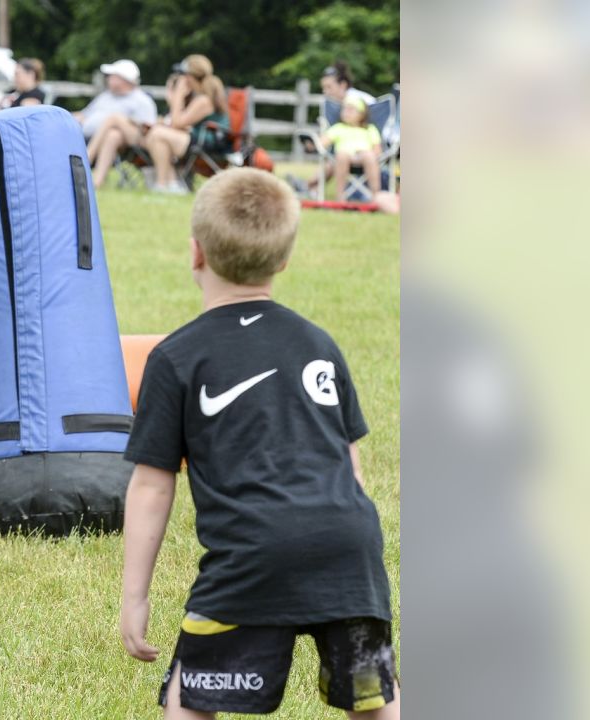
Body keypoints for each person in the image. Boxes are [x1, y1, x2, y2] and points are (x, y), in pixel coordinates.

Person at [119, 168, 398, 719]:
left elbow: (152, 487)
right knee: (373, 700)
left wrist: (135, 596)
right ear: (284, 259)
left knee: (189, 700)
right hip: (348, 548)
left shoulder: (176, 358)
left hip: (253, 553)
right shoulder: (319, 343)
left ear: (195, 254)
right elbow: (352, 470)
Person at [142, 55, 229, 195]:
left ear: (189, 76)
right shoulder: (200, 97)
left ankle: (165, 183)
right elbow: (178, 123)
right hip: (196, 140)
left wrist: (178, 95)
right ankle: (169, 184)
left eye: (182, 75)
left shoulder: (204, 100)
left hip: (206, 144)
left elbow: (176, 123)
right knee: (157, 134)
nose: (180, 79)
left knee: (157, 134)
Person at [293, 61, 377, 196]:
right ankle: (309, 187)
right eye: (323, 88)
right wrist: (315, 144)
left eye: (329, 87)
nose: (325, 92)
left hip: (367, 151)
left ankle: (307, 186)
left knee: (337, 159)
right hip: (344, 149)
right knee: (339, 156)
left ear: (342, 85)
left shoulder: (359, 101)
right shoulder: (337, 108)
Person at [74, 59, 157, 187]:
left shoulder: (142, 100)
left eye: (112, 76)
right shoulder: (105, 96)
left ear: (124, 79)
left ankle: (87, 158)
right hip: (87, 136)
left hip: (133, 143)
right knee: (113, 135)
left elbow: (148, 129)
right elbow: (84, 115)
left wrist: (126, 121)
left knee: (114, 119)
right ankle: (96, 181)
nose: (108, 79)